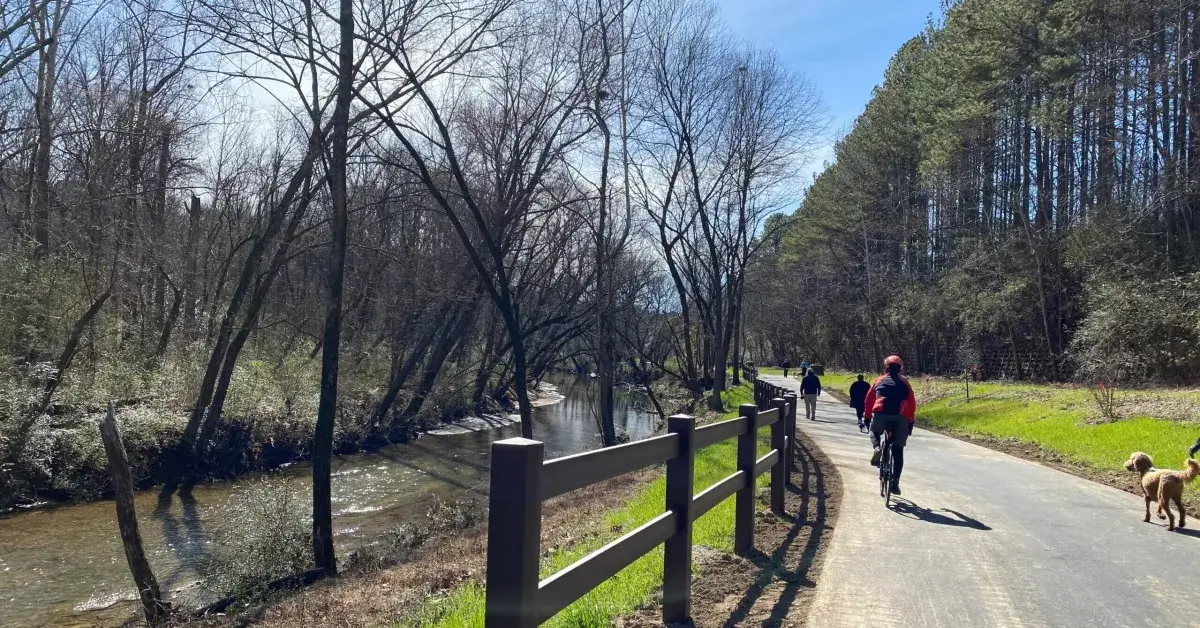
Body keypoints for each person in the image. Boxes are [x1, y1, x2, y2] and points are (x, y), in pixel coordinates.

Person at [865, 355, 916, 496]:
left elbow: (868, 401)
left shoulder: (878, 380)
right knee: (898, 450)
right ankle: (895, 483)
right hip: (900, 416)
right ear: (900, 368)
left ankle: (877, 448)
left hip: (881, 412)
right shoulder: (905, 382)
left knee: (874, 431)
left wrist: (867, 417)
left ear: (886, 367)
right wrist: (910, 422)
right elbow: (911, 404)